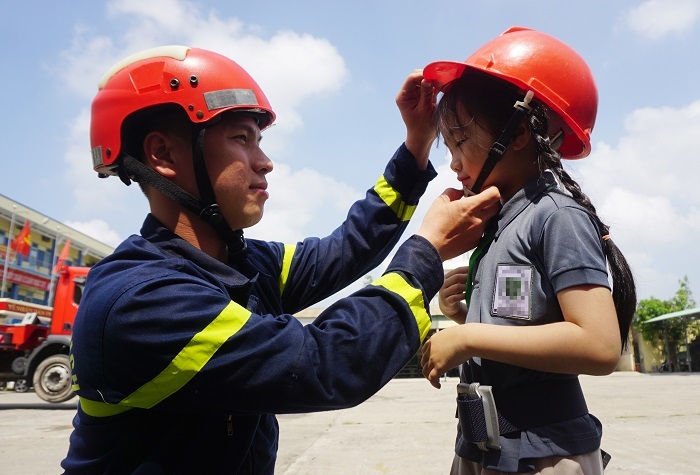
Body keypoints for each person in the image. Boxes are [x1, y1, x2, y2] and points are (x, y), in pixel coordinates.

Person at [60, 46, 501, 473]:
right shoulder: (141, 302)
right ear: (164, 155)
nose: (265, 161)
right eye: (241, 139)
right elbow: (329, 364)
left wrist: (416, 144)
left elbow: (347, 248)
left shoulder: (236, 265)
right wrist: (425, 252)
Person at [419, 27, 637, 474]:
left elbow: (598, 345)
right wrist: (463, 316)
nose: (454, 162)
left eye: (461, 142)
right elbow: (525, 327)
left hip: (543, 453)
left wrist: (467, 337)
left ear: (517, 132)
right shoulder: (499, 224)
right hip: (486, 446)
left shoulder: (556, 215)